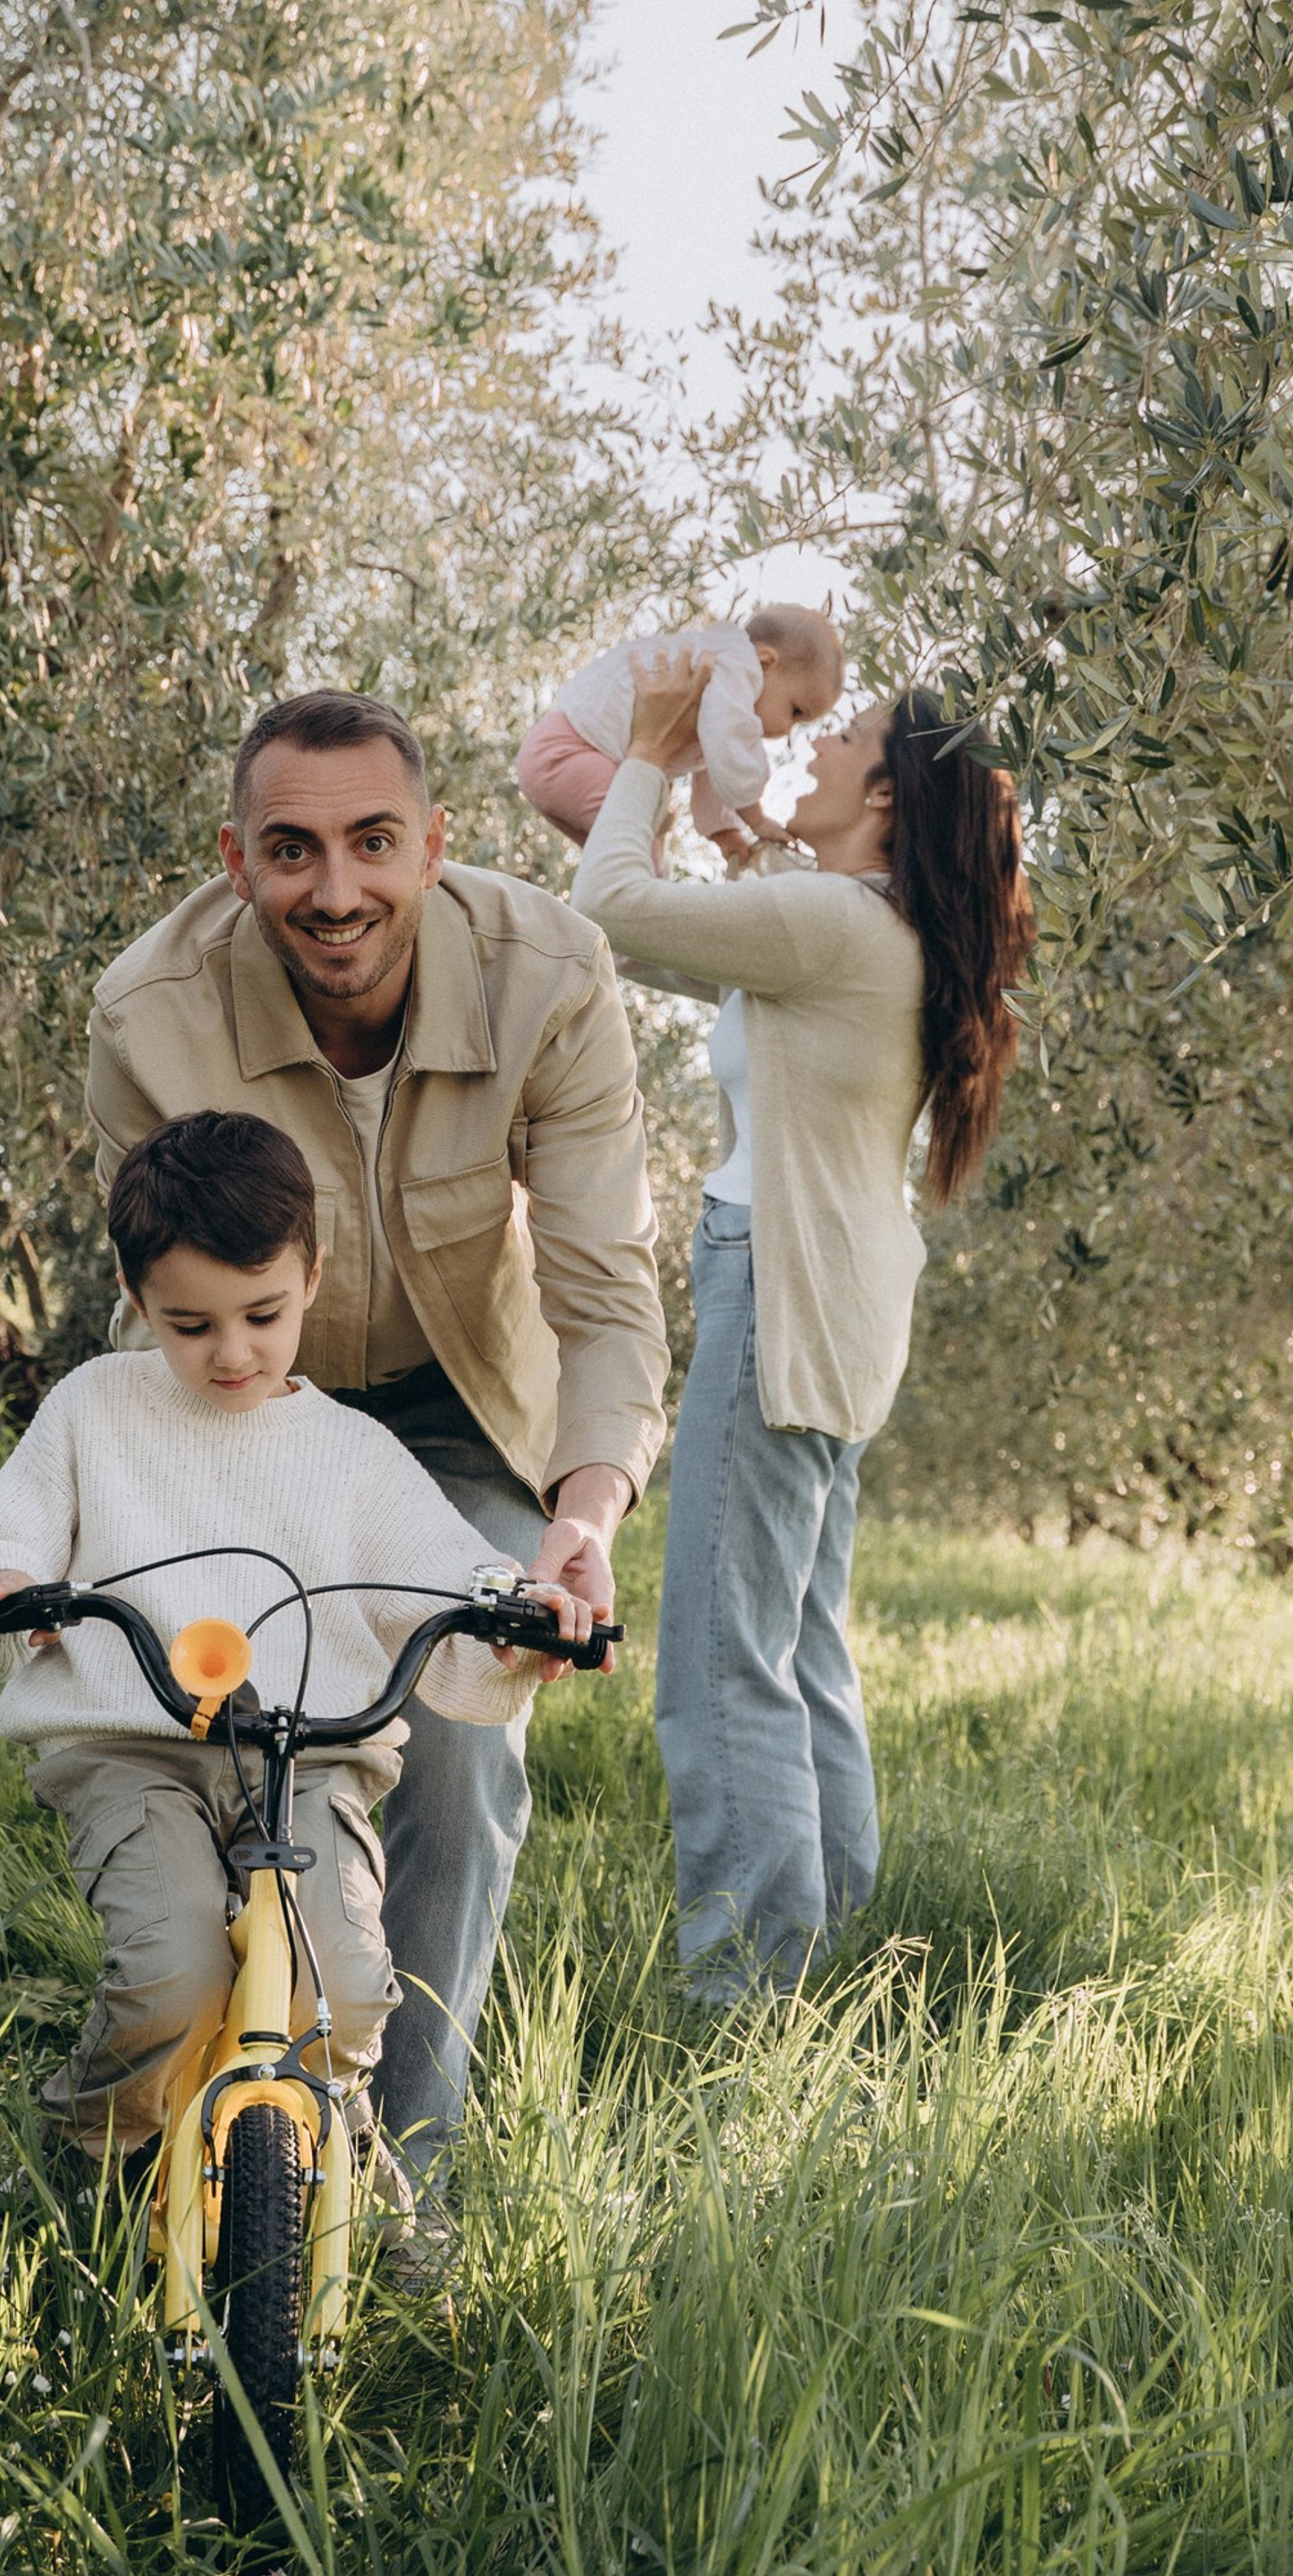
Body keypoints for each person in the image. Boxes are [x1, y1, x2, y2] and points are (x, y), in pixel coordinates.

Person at [84, 692, 668, 2174]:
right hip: (244, 1407)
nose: (335, 890)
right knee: (220, 1717)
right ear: (236, 860)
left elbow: (606, 1296)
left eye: (372, 843)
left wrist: (584, 1515)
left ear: (435, 844)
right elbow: (156, 1309)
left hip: (462, 1411)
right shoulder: (151, 1015)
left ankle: (411, 2179)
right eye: (291, 850)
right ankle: (207, 2117)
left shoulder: (552, 975)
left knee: (461, 1740)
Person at [0, 1110, 589, 2186]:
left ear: (312, 1276)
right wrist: (5, 1590)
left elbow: (453, 1580)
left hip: (312, 1760)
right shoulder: (96, 1408)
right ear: (135, 1293)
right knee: (172, 1976)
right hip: (134, 1753)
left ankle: (347, 2169)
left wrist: (521, 1624)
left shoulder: (353, 1454)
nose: (232, 1352)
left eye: (263, 1315)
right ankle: (91, 2157)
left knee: (345, 1988)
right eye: (190, 1324)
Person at [570, 649, 1036, 2004]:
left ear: (886, 796)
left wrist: (647, 752)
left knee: (722, 1664)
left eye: (846, 739)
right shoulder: (868, 925)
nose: (813, 745)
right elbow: (680, 948)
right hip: (842, 1304)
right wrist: (729, 844)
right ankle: (829, 1952)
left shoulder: (833, 925)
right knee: (799, 1642)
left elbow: (605, 908)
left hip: (777, 1289)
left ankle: (747, 1998)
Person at [516, 604, 844, 867]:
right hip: (569, 753)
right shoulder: (735, 667)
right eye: (795, 711)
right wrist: (756, 820)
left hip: (560, 759)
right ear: (766, 662)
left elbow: (717, 760)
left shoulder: (720, 686)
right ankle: (640, 932)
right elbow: (729, 746)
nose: (788, 729)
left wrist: (724, 831)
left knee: (613, 865)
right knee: (641, 862)